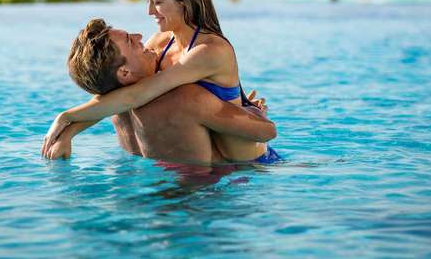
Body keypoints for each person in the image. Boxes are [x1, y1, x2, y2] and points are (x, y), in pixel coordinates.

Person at [42, 0, 281, 163]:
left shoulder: (210, 51)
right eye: (148, 1)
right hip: (211, 159)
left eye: (157, 2)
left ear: (184, 0)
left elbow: (136, 95)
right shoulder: (160, 43)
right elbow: (117, 93)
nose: (149, 11)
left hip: (250, 162)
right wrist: (70, 131)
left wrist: (66, 117)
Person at [42, 18, 276, 166]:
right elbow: (267, 131)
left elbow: (111, 101)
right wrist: (251, 112)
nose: (140, 37)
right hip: (211, 194)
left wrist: (67, 131)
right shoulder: (187, 99)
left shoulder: (114, 109)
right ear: (124, 72)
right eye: (130, 41)